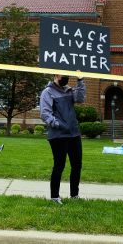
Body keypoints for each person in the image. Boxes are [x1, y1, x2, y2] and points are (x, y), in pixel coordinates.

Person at [40, 73, 86, 205]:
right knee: (59, 166)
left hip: (74, 134)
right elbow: (45, 113)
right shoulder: (47, 92)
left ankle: (74, 195)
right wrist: (58, 124)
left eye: (67, 75)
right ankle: (55, 196)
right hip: (58, 135)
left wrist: (80, 80)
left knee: (77, 165)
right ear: (55, 75)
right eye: (63, 75)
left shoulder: (69, 90)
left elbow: (81, 98)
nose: (65, 77)